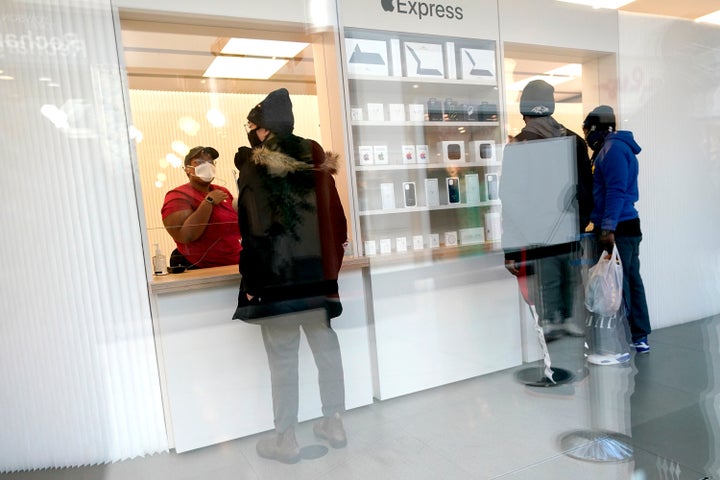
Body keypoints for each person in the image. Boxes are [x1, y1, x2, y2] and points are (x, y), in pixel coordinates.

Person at [231, 88, 348, 463]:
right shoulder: (316, 160)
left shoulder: (254, 167)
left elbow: (254, 232)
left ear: (264, 128)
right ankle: (335, 422)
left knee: (283, 360)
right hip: (318, 281)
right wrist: (328, 273)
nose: (252, 132)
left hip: (278, 283)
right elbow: (338, 226)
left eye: (253, 125)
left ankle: (286, 439)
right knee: (327, 351)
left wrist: (252, 284)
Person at [503, 79, 594, 340]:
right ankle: (568, 319)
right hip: (569, 229)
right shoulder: (574, 140)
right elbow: (587, 190)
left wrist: (511, 248)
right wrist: (578, 222)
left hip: (537, 234)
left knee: (548, 278)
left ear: (524, 111)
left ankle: (552, 323)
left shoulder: (519, 145)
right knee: (572, 275)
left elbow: (510, 198)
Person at [583, 105, 651, 354]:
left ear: (595, 128)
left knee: (617, 282)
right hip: (624, 225)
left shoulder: (612, 150)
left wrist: (607, 229)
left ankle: (626, 335)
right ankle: (638, 335)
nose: (587, 137)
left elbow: (615, 191)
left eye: (587, 130)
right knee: (629, 280)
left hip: (619, 228)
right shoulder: (615, 148)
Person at [161, 146, 241, 269]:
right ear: (187, 169)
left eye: (210, 162)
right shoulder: (177, 196)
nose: (207, 166)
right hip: (203, 269)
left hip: (234, 264)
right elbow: (186, 236)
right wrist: (208, 202)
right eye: (199, 162)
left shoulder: (222, 191)